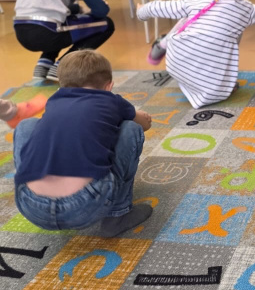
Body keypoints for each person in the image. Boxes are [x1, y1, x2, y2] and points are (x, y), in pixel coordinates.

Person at [13, 50, 153, 237]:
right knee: (130, 129)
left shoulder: (54, 100)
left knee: (27, 125)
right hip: (84, 205)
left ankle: (32, 183)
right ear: (109, 86)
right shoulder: (111, 100)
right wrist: (139, 116)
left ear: (61, 85)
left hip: (31, 206)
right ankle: (118, 215)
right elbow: (144, 125)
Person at [137, 0, 255, 108]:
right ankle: (213, 83)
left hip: (178, 63)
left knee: (190, 17)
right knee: (235, 27)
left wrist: (141, 11)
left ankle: (164, 44)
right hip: (213, 84)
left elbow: (160, 7)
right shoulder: (241, 5)